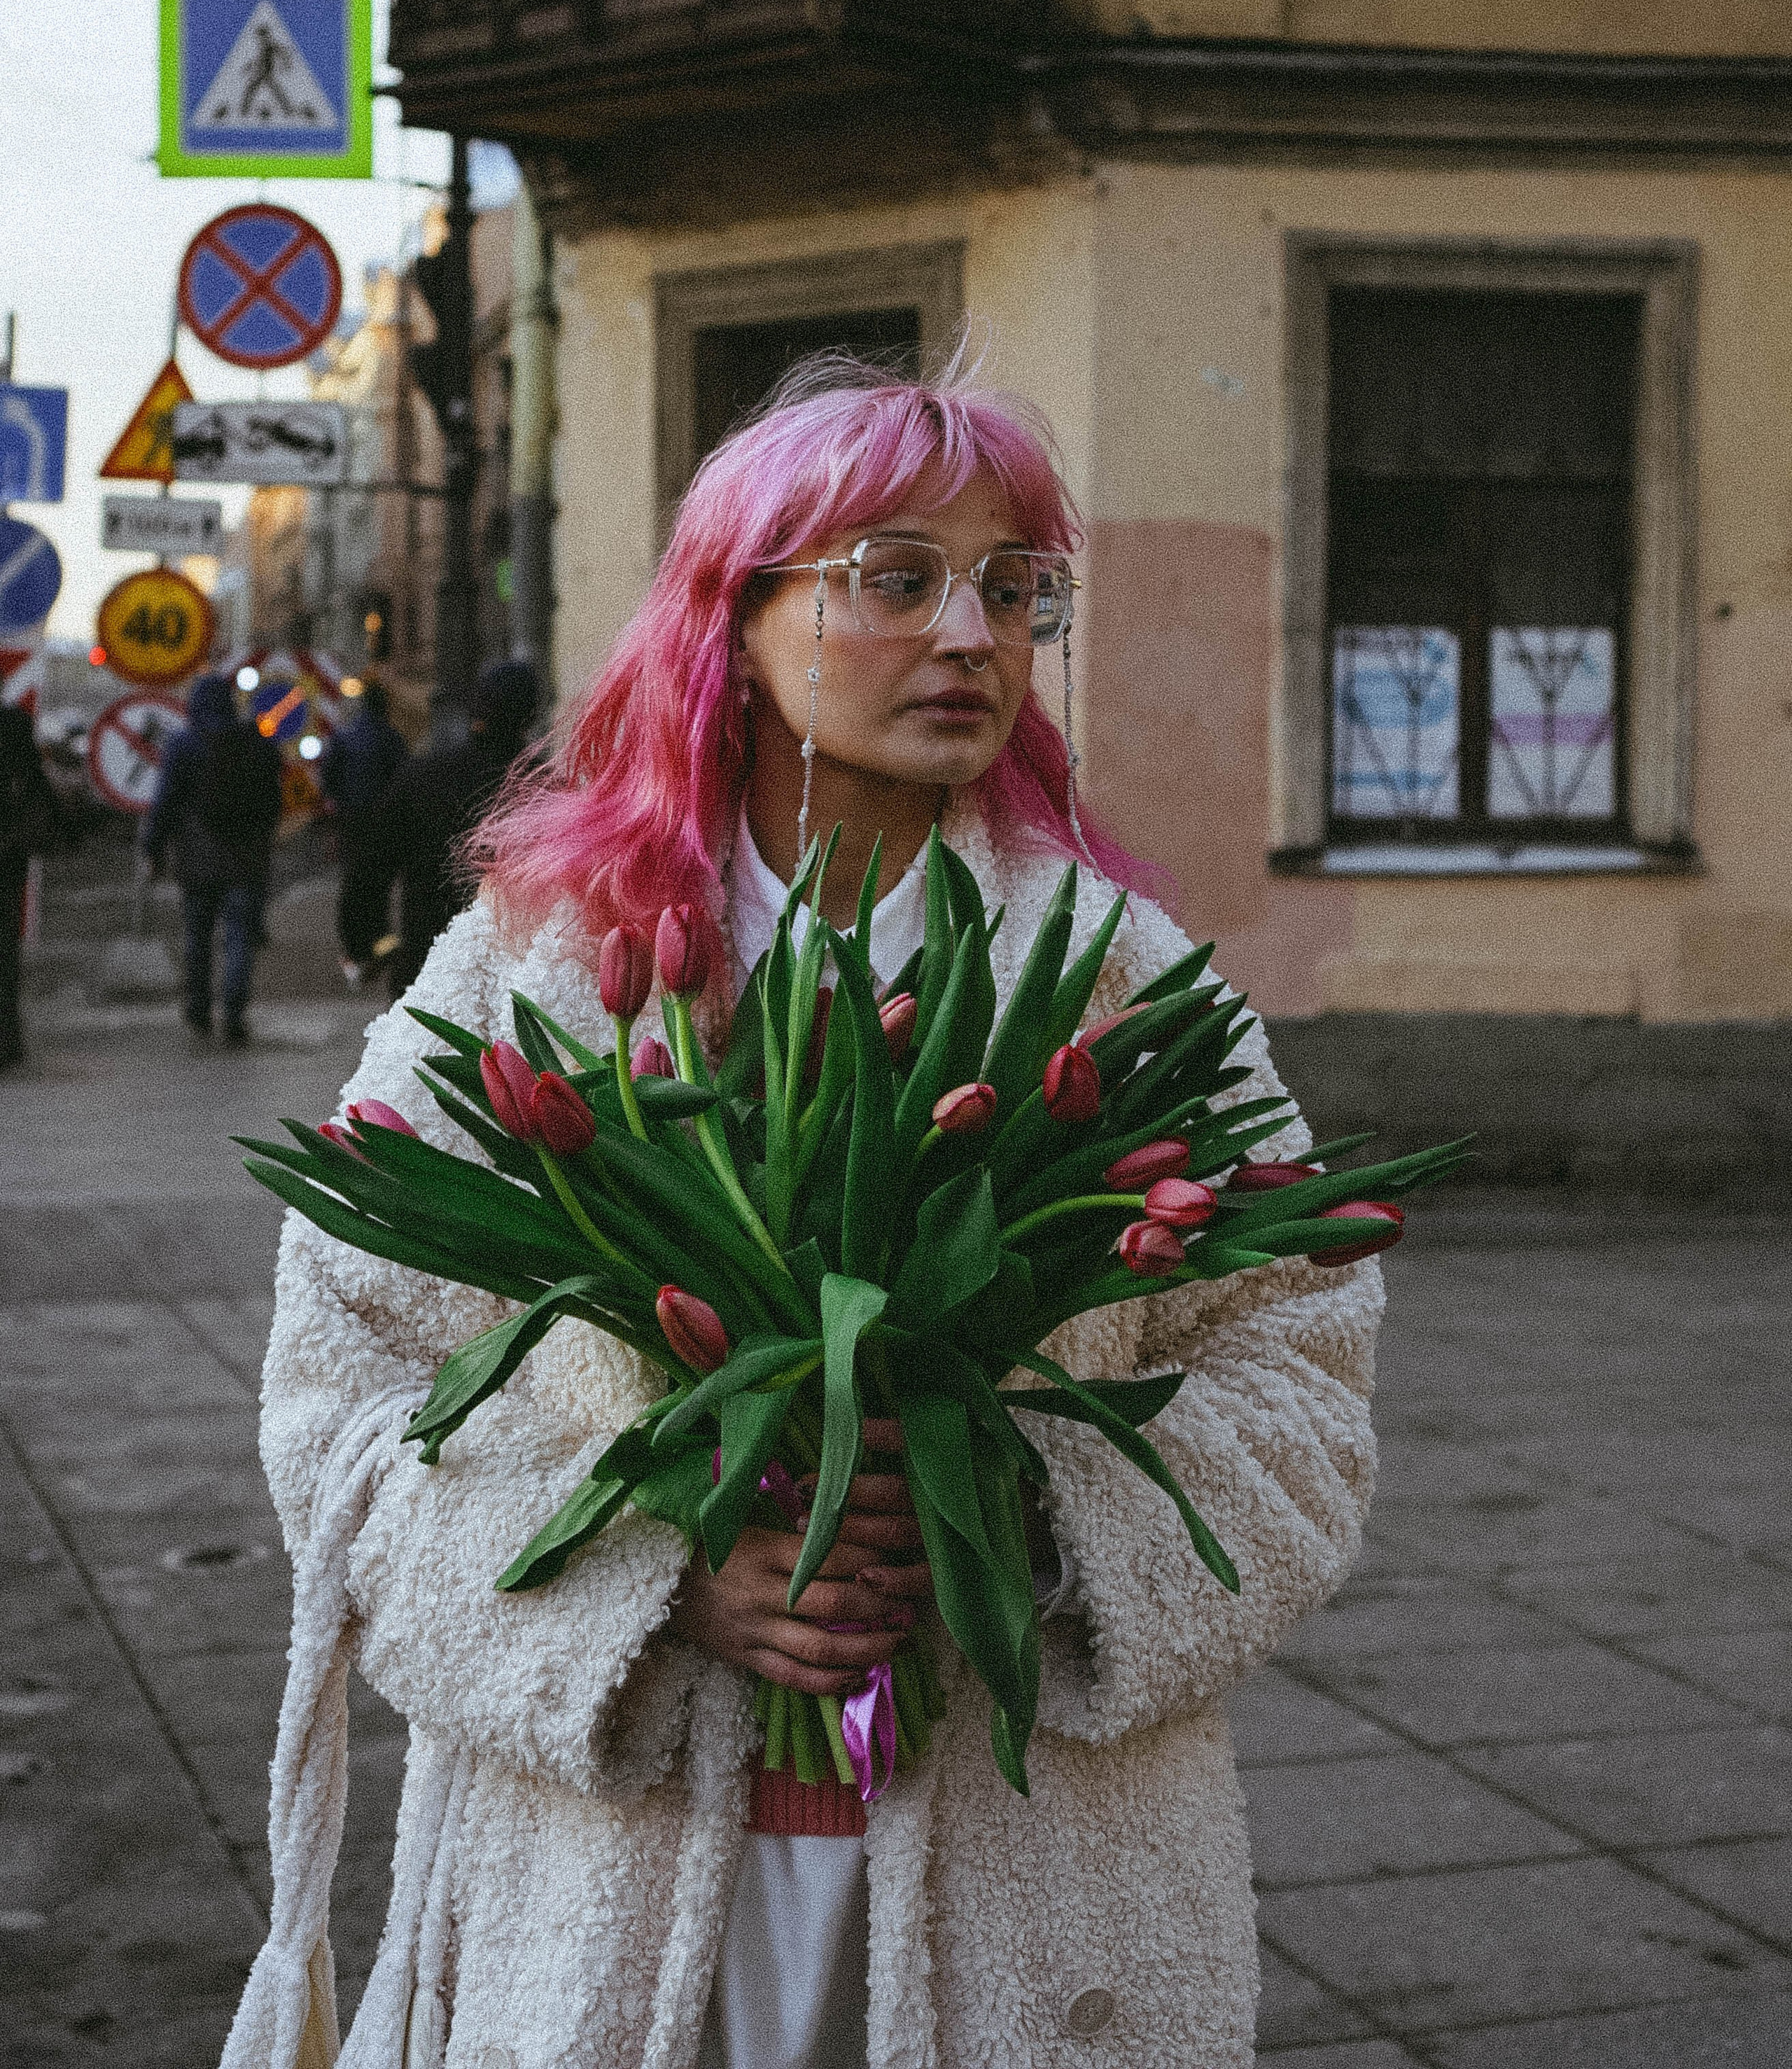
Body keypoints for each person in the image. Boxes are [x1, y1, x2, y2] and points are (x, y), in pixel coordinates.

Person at [236, 355, 1384, 2069]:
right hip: (608, 1873)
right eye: (896, 576)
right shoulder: (534, 975)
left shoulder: (1125, 986)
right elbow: (339, 1400)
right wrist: (653, 1575)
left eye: (1012, 588)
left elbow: (1298, 1371)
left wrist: (1015, 1525)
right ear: (735, 621)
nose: (971, 636)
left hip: (1033, 1855)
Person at [370, 657, 540, 997]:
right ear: (529, 715)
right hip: (516, 973)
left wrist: (371, 944)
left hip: (427, 962)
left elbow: (373, 865)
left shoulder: (422, 776)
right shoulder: (542, 786)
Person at [143, 671, 283, 1046]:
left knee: (198, 938)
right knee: (240, 937)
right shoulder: (257, 743)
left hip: (197, 859)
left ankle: (200, 1012)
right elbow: (275, 803)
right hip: (246, 860)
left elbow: (166, 803)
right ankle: (235, 1014)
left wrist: (152, 847)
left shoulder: (184, 743)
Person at [318, 678, 409, 986]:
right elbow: (404, 783)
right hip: (384, 827)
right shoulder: (393, 740)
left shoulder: (344, 737)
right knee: (379, 890)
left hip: (351, 825)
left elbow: (328, 779)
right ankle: (380, 945)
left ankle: (354, 952)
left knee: (352, 889)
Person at [0, 706, 59, 1071]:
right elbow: (44, 802)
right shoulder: (20, 741)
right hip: (9, 862)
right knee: (5, 954)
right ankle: (8, 1040)